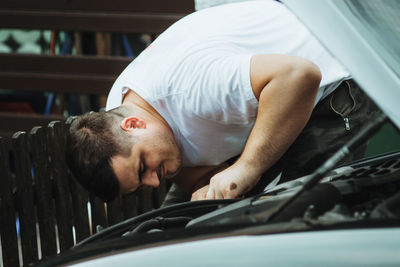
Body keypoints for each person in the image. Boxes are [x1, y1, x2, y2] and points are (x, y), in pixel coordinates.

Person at [66, 0, 379, 204]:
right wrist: (204, 185)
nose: (152, 180)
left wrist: (247, 167)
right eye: (141, 183)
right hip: (267, 96)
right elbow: (184, 167)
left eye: (143, 167)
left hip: (334, 75)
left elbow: (299, 75)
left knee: (290, 208)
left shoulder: (193, 89)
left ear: (134, 124)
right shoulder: (120, 117)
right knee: (180, 224)